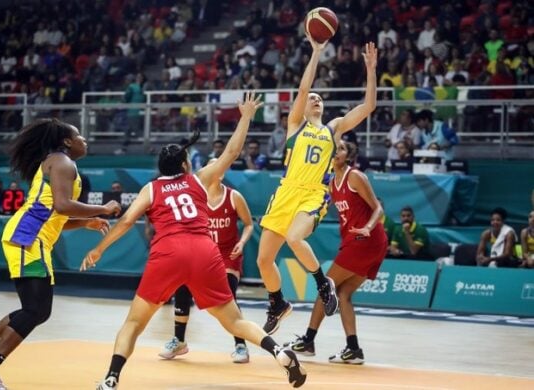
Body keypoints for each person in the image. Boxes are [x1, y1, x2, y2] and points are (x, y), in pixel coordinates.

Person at [80, 92, 307, 390]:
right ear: (185, 165)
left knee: (134, 323)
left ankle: (111, 379)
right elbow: (231, 152)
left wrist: (98, 249)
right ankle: (278, 351)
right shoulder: (199, 179)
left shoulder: (151, 188)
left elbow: (125, 221)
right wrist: (246, 116)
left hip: (169, 251)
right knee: (234, 321)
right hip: (204, 250)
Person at [0, 118, 121, 390]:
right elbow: (62, 206)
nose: (85, 140)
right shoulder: (62, 162)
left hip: (34, 240)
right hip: (28, 238)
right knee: (35, 309)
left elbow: (55, 215)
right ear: (67, 141)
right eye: (80, 136)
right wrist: (101, 209)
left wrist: (84, 222)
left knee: (37, 311)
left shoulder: (59, 162)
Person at [257, 38, 378, 335]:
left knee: (296, 239)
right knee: (263, 260)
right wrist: (316, 52)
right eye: (312, 97)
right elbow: (301, 89)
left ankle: (323, 284)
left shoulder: (333, 128)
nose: (315, 99)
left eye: (319, 97)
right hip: (286, 191)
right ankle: (277, 303)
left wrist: (371, 70)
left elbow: (368, 106)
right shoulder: (296, 124)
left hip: (312, 193)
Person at [285, 140, 387, 364]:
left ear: (348, 155)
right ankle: (354, 349)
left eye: (341, 148)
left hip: (365, 239)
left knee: (326, 286)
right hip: (363, 242)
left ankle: (308, 340)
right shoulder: (332, 182)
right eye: (334, 148)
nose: (336, 152)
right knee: (343, 294)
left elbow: (378, 207)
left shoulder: (355, 177)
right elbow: (320, 206)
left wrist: (368, 228)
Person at [160, 158, 254, 363]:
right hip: (202, 255)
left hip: (228, 256)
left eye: (218, 166)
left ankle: (240, 345)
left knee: (228, 294)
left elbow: (248, 224)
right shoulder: (193, 198)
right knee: (182, 286)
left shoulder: (234, 197)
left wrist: (243, 242)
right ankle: (179, 341)